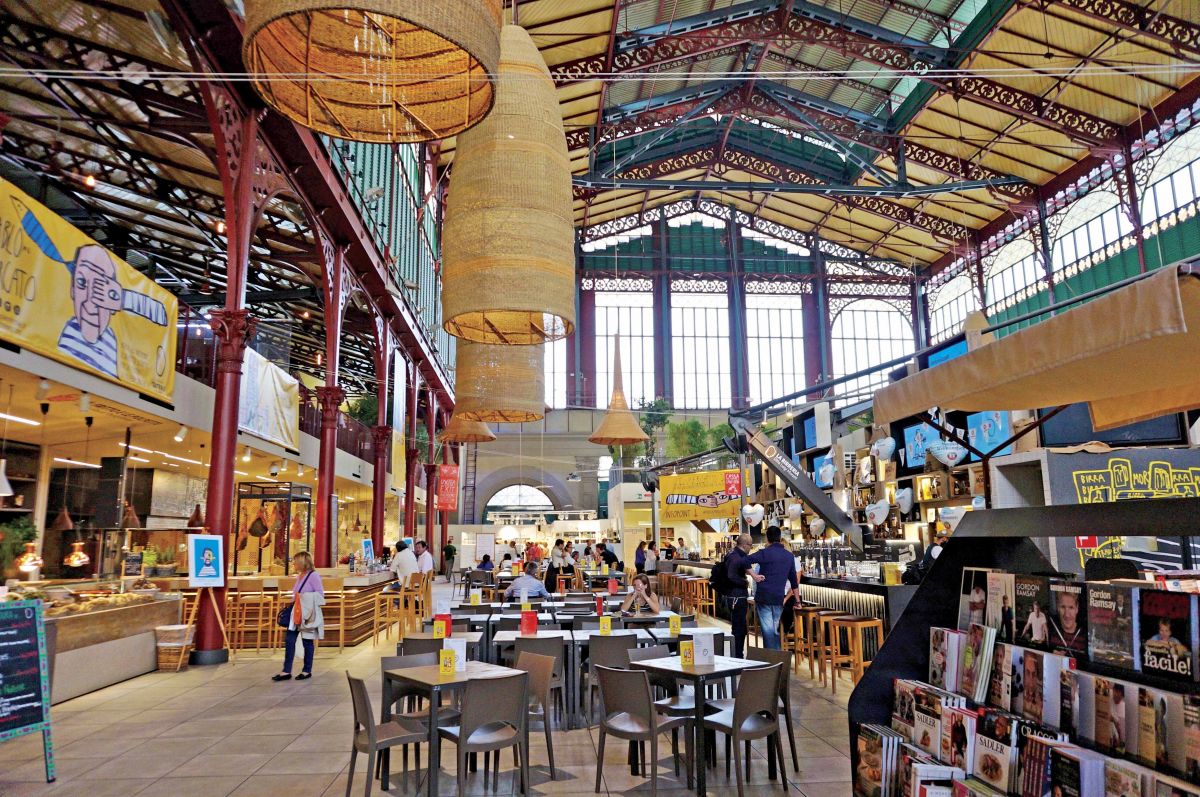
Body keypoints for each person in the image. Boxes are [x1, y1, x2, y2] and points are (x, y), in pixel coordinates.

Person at [742, 526, 799, 650]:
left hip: (764, 597)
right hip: (778, 598)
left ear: (767, 538)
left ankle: (771, 658)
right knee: (775, 631)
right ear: (779, 537)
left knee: (768, 631)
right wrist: (797, 601)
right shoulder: (789, 556)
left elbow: (745, 560)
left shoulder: (764, 553)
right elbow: (794, 581)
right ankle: (776, 657)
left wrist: (754, 575)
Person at [274, 551, 324, 681]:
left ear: (302, 562)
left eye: (295, 561)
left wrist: (303, 597)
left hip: (307, 613)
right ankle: (286, 671)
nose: (293, 564)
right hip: (296, 611)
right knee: (289, 640)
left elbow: (320, 595)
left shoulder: (313, 576)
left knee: (307, 641)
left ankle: (307, 670)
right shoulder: (299, 576)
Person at [721, 533, 753, 657]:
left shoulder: (732, 554)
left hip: (733, 595)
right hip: (737, 596)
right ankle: (738, 655)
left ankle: (737, 654)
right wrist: (745, 582)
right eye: (750, 545)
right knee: (739, 628)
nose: (751, 548)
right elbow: (731, 576)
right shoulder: (736, 557)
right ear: (744, 545)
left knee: (739, 627)